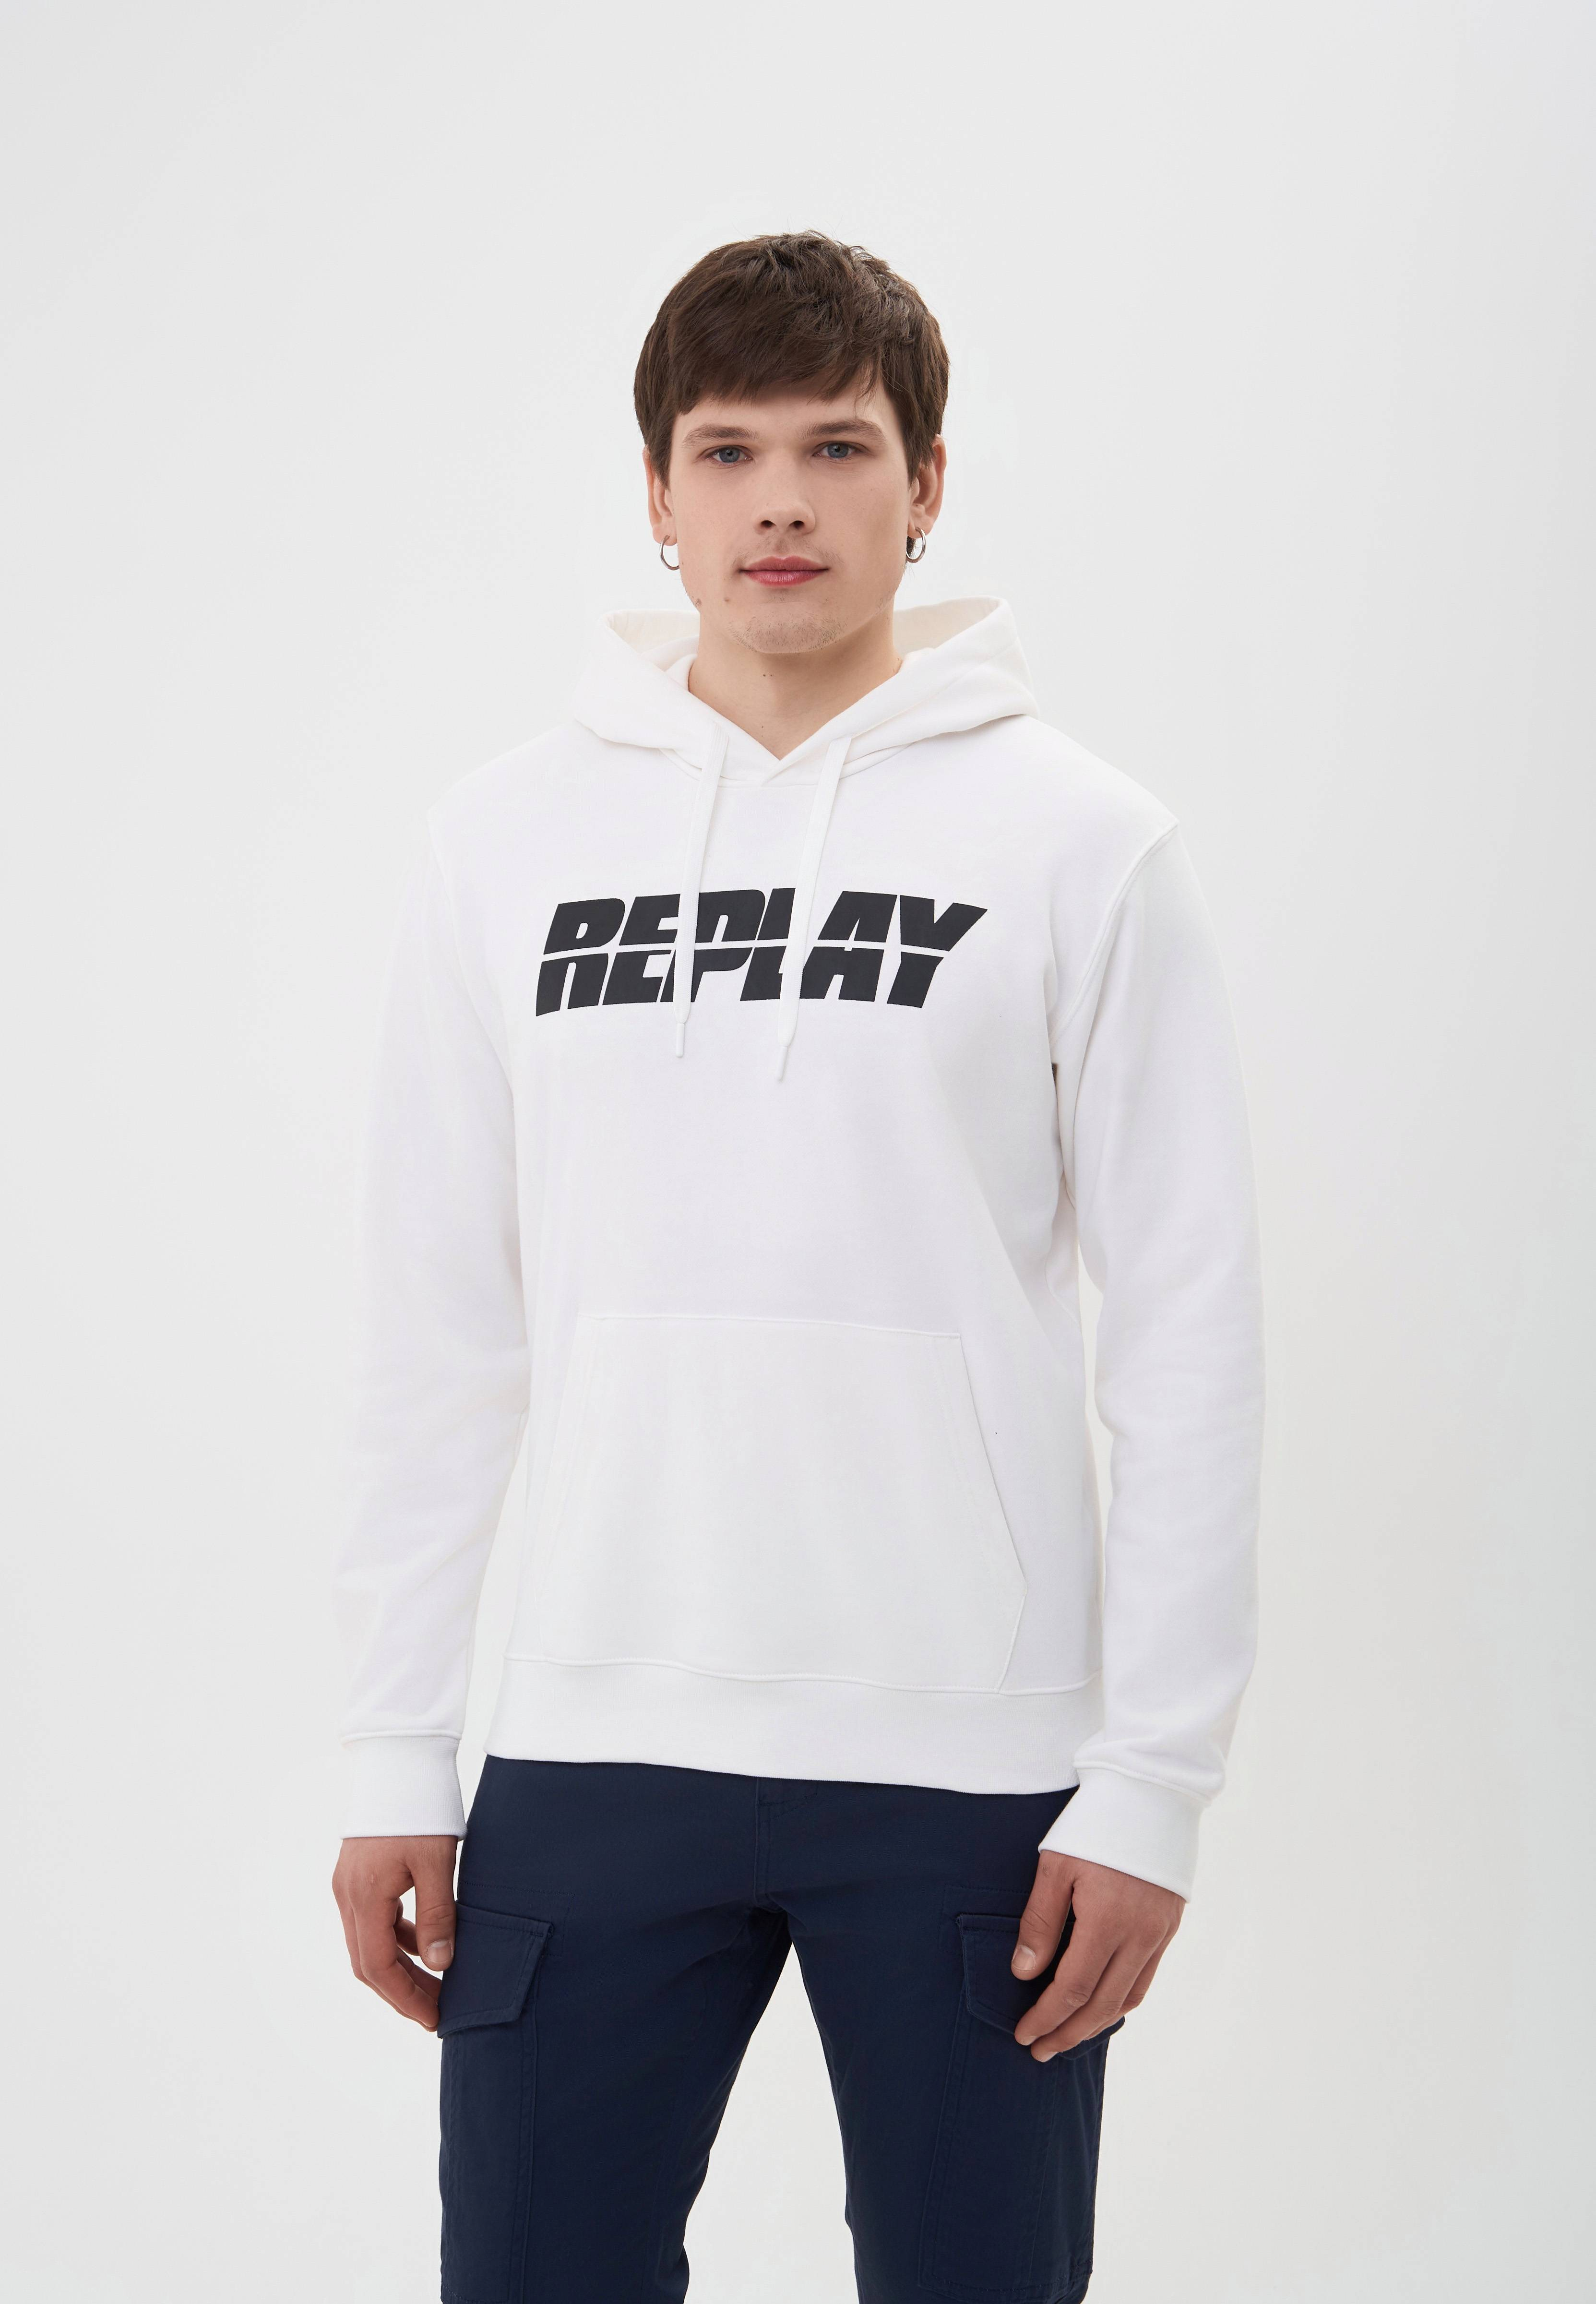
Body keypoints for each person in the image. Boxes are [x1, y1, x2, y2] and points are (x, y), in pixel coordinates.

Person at [330, 230, 1264, 2304]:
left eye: (838, 447)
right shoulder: (500, 843)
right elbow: (435, 1328)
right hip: (592, 1735)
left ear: (924, 484)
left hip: (974, 1770)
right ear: (656, 495)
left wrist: (1153, 1784)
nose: (780, 502)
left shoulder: (1081, 841)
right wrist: (396, 1746)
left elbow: (1188, 1340)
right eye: (727, 450)